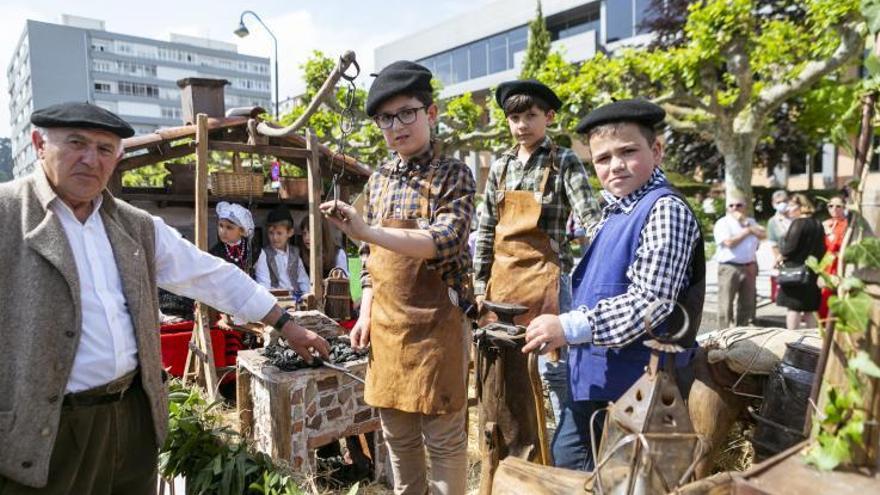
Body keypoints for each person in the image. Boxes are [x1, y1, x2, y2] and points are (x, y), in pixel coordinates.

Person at [0, 102, 329, 494]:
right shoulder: (7, 215)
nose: (91, 159)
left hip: (131, 415)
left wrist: (286, 324)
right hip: (46, 426)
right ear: (39, 144)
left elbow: (211, 276)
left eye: (105, 149)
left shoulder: (134, 226)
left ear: (118, 157)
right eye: (76, 143)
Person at [521, 99, 704, 471]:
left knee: (627, 482)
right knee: (570, 469)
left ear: (656, 150)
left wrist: (568, 327)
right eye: (603, 158)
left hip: (643, 388)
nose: (615, 165)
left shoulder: (664, 208)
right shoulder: (613, 212)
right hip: (596, 382)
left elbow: (650, 303)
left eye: (628, 152)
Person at [318, 61, 475, 494]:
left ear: (431, 113)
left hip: (437, 326)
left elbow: (447, 238)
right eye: (386, 118)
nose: (396, 126)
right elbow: (369, 257)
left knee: (443, 440)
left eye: (406, 112)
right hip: (387, 328)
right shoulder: (380, 180)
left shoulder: (453, 173)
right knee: (397, 438)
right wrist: (365, 311)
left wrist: (367, 229)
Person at [472, 78, 599, 454]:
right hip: (503, 283)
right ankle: (518, 452)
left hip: (549, 281)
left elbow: (592, 219)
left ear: (549, 117)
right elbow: (485, 230)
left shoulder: (564, 161)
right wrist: (479, 286)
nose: (522, 124)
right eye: (514, 117)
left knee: (555, 373)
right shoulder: (500, 167)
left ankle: (565, 455)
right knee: (507, 375)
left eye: (531, 115)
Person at [713, 194, 766, 329]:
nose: (734, 208)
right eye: (731, 205)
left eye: (738, 205)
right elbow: (729, 242)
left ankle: (742, 333)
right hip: (730, 267)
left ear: (745, 207)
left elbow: (763, 235)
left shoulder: (750, 222)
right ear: (727, 208)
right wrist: (747, 231)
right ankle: (723, 333)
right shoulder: (723, 223)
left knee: (747, 303)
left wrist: (747, 224)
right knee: (726, 304)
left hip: (749, 266)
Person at [777, 194, 826, 329]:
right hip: (812, 269)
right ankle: (811, 340)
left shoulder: (798, 223)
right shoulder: (817, 223)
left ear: (802, 207)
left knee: (794, 308)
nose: (789, 209)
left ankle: (793, 339)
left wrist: (781, 251)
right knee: (810, 309)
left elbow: (789, 248)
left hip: (795, 271)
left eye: (792, 205)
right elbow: (822, 248)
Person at [255, 206, 310, 295]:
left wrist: (307, 296)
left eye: (279, 233)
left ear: (290, 233)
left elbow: (303, 279)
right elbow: (263, 283)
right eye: (271, 233)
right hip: (275, 299)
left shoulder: (295, 252)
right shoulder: (264, 254)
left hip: (296, 297)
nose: (275, 237)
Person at [819, 194, 849, 320]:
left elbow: (838, 246)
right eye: (830, 206)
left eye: (838, 206)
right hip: (826, 265)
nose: (834, 209)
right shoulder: (827, 223)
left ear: (844, 208)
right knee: (823, 301)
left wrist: (829, 233)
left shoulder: (847, 225)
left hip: (838, 266)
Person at [209, 201, 255, 274]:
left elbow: (263, 280)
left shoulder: (254, 251)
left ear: (242, 231)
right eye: (221, 225)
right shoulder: (215, 253)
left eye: (229, 227)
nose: (223, 231)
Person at [766, 190, 792, 302]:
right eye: (778, 202)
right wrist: (778, 259)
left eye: (784, 201)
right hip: (784, 259)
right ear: (773, 204)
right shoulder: (773, 222)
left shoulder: (795, 217)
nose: (782, 204)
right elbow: (773, 244)